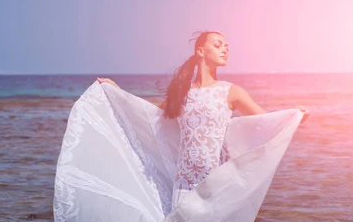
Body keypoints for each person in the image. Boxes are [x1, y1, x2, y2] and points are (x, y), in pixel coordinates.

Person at [96, 31, 308, 210]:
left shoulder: (231, 91)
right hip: (184, 181)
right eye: (218, 45)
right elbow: (150, 117)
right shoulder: (182, 92)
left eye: (226, 46)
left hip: (215, 180)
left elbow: (264, 120)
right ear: (200, 51)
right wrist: (117, 92)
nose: (225, 49)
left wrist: (292, 116)